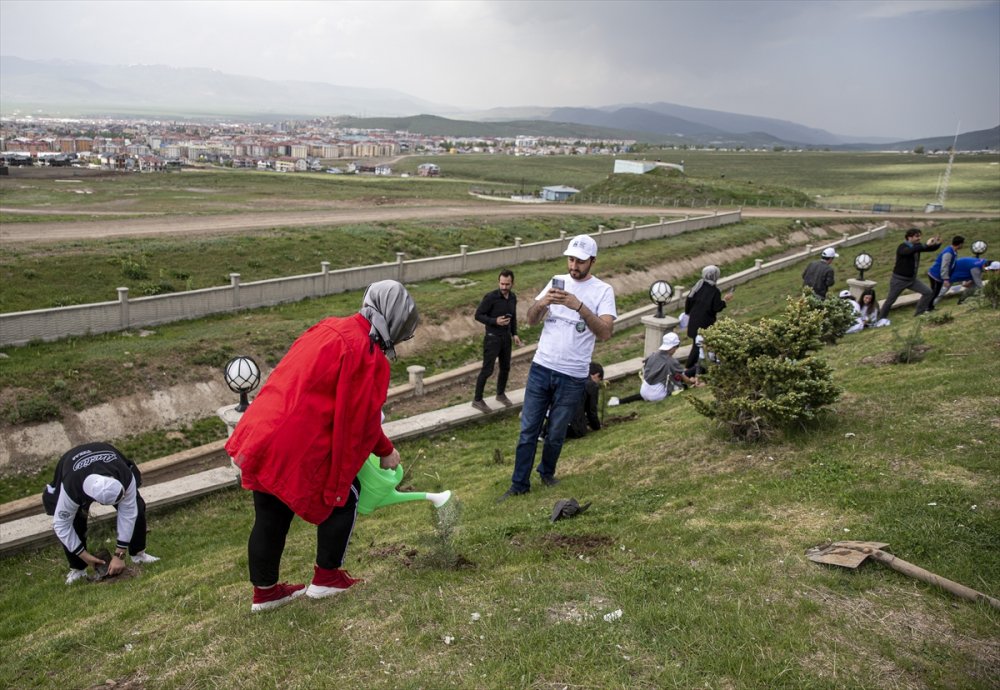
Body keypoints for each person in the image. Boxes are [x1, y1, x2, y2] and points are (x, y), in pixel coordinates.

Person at [226, 280, 418, 612]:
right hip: (299, 440)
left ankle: (266, 593)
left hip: (265, 428)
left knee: (270, 514)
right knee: (346, 497)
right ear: (395, 319)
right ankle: (327, 578)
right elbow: (362, 419)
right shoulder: (368, 354)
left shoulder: (331, 326)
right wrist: (386, 451)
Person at [499, 234, 616, 501]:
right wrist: (543, 303)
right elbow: (530, 321)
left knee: (556, 431)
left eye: (580, 261)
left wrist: (579, 307)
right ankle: (519, 484)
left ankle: (547, 471)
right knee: (528, 429)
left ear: (593, 261)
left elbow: (606, 332)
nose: (574, 266)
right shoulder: (555, 282)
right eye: (571, 259)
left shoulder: (602, 291)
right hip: (542, 368)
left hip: (573, 376)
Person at [43, 442, 159, 585]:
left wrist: (119, 555)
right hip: (71, 464)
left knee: (138, 507)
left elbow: (129, 513)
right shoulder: (71, 490)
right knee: (75, 522)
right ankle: (78, 569)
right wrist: (83, 555)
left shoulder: (124, 474)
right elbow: (61, 525)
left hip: (104, 452)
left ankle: (139, 554)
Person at [472, 269, 523, 412]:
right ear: (498, 282)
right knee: (487, 370)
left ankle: (500, 394)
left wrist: (515, 334)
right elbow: (478, 315)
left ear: (512, 283)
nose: (504, 287)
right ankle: (477, 399)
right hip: (492, 338)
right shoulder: (490, 297)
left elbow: (513, 317)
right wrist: (495, 321)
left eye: (507, 284)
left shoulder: (513, 297)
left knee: (505, 368)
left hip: (506, 338)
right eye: (502, 284)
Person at [614, 332, 699, 404]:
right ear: (673, 347)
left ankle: (618, 401)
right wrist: (692, 381)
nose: (675, 350)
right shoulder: (671, 361)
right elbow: (684, 378)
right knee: (681, 385)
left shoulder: (653, 355)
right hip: (657, 395)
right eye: (676, 348)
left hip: (643, 391)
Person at [878, 228, 942, 319]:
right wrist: (925, 245)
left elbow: (929, 248)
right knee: (890, 301)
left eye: (920, 236)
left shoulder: (917, 246)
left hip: (912, 280)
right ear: (909, 237)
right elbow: (909, 251)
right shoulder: (902, 247)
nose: (919, 238)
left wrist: (937, 243)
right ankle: (881, 319)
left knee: (928, 292)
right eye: (917, 236)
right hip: (899, 280)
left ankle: (919, 314)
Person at [684, 265, 733, 369]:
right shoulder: (714, 291)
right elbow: (717, 307)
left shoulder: (698, 285)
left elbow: (689, 300)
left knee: (696, 344)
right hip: (704, 323)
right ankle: (689, 368)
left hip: (694, 319)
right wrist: (725, 300)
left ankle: (697, 366)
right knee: (698, 346)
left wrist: (688, 313)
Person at [565, 362, 604, 439]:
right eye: (599, 380)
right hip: (572, 420)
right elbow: (591, 411)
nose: (597, 383)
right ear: (596, 375)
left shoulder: (574, 378)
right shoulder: (592, 385)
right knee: (580, 430)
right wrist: (597, 427)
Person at [928, 235, 964, 308]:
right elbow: (945, 266)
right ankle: (927, 308)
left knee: (936, 292)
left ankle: (930, 307)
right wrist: (946, 279)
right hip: (935, 275)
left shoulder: (953, 251)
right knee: (934, 292)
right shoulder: (948, 252)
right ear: (960, 244)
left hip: (938, 275)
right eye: (963, 243)